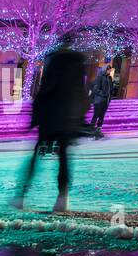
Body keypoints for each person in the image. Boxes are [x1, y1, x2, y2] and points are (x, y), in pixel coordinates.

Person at [12, 37, 86, 212]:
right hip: (68, 118)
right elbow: (81, 93)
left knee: (37, 155)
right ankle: (62, 197)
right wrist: (79, 117)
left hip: (51, 115)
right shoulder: (78, 63)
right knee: (64, 157)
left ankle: (21, 196)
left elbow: (47, 88)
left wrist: (35, 116)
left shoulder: (55, 60)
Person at [88, 63, 115, 138]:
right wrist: (104, 94)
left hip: (106, 101)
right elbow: (96, 89)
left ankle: (98, 131)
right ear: (105, 69)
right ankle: (91, 131)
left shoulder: (109, 78)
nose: (109, 71)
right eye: (108, 69)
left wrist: (110, 95)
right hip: (99, 101)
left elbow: (110, 89)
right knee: (96, 115)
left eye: (110, 70)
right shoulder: (99, 77)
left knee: (101, 117)